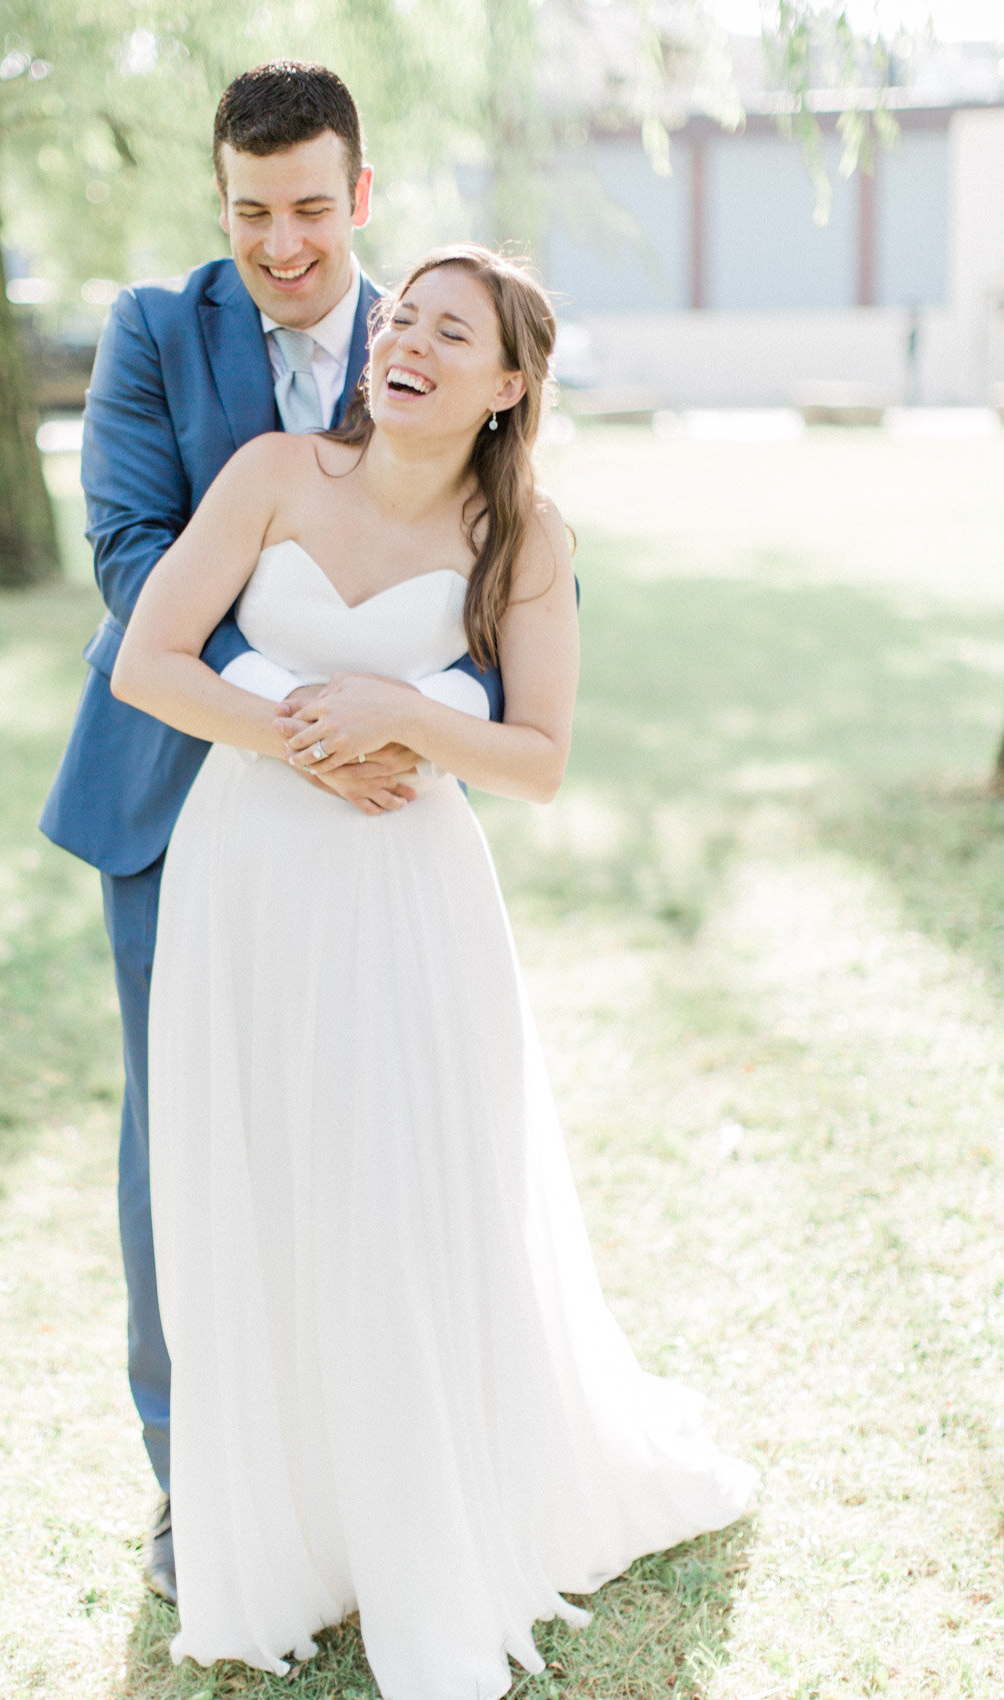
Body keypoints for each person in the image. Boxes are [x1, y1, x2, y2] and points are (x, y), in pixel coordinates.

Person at [110, 245, 757, 1700]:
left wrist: (403, 712)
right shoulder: (275, 474)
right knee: (267, 1180)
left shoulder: (525, 535)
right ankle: (296, 1538)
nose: (401, 339)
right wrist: (302, 741)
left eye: (446, 331)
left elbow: (536, 760)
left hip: (410, 900)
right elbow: (149, 663)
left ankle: (424, 1521)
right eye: (397, 316)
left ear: (509, 382)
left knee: (400, 1189)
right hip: (249, 878)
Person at [39, 62, 498, 1599]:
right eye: (251, 214)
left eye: (311, 208)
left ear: (359, 195)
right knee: (186, 1145)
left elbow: (495, 571)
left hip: (381, 824)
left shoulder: (436, 330)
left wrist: (422, 717)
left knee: (370, 1141)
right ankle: (198, 1490)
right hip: (178, 809)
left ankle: (378, 1472)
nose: (283, 244)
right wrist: (295, 716)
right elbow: (128, 554)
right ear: (219, 202)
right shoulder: (160, 333)